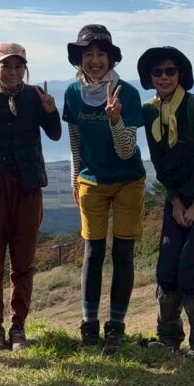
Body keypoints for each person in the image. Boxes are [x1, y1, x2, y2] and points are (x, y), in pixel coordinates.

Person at [137, 46, 194, 362]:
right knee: (166, 271)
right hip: (178, 197)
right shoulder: (150, 111)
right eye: (157, 72)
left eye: (170, 71)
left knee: (190, 272)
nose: (164, 77)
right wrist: (175, 201)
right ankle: (168, 338)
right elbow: (159, 160)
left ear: (181, 74)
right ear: (149, 77)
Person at [62, 24, 146, 353]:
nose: (95, 60)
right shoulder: (72, 93)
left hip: (128, 181)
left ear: (111, 59)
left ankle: (116, 327)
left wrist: (115, 119)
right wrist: (75, 181)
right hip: (91, 182)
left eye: (101, 54)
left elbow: (127, 151)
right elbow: (75, 142)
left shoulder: (128, 93)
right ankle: (89, 326)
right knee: (92, 253)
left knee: (123, 254)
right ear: (79, 59)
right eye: (88, 54)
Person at [0, 43, 62, 352]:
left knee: (23, 261)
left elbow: (55, 134)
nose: (12, 71)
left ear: (25, 69)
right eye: (6, 65)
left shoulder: (35, 97)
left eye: (18, 66)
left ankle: (18, 328)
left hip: (27, 187)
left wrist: (51, 111)